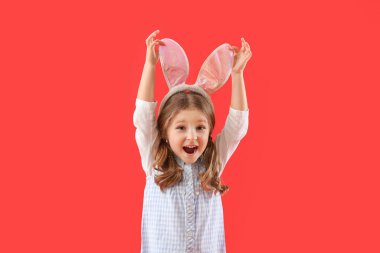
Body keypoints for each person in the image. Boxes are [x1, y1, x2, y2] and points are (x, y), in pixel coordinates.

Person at [133, 29, 252, 253]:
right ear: (165, 132)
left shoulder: (213, 162)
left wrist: (237, 75)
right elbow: (143, 116)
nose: (192, 136)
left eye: (200, 127)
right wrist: (150, 66)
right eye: (181, 127)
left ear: (209, 131)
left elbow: (237, 126)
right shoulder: (154, 159)